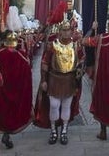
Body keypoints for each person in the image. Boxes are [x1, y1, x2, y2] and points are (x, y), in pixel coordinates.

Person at [35, 8, 82, 146]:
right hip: (54, 78)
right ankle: (53, 130)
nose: (66, 32)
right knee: (54, 105)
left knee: (66, 105)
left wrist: (80, 73)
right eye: (64, 30)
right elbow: (44, 63)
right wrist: (43, 80)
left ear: (71, 31)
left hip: (69, 79)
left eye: (68, 30)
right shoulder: (52, 45)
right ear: (60, 31)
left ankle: (64, 131)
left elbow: (81, 61)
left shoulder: (76, 45)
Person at [0, 13, 33, 150]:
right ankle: (6, 135)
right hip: (13, 90)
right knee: (7, 113)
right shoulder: (21, 57)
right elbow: (28, 73)